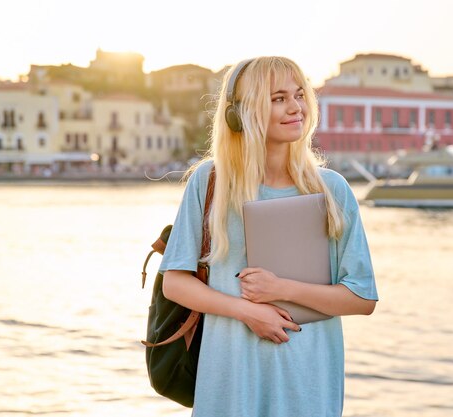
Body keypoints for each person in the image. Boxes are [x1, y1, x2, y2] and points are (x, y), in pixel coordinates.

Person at [159, 56, 378, 417]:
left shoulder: (332, 190)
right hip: (230, 383)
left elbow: (361, 298)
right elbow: (176, 284)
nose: (296, 108)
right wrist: (247, 311)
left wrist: (282, 290)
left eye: (299, 95)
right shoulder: (210, 181)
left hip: (307, 383)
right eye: (278, 98)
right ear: (240, 113)